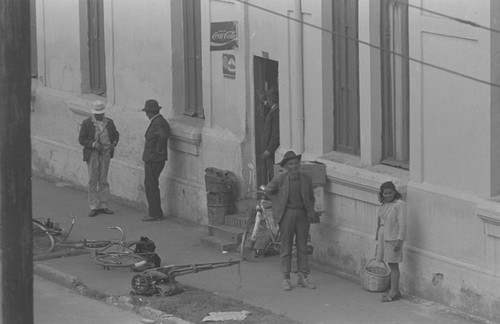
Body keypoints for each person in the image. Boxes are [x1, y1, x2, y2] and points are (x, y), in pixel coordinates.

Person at [264, 151, 316, 291]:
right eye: (291, 164)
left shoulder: (306, 179)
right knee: (286, 246)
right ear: (286, 166)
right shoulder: (280, 178)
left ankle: (303, 276)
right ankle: (286, 278)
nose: (294, 166)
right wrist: (277, 201)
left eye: (296, 163)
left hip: (302, 215)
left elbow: (311, 197)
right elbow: (268, 190)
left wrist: (310, 211)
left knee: (302, 247)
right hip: (287, 214)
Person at [78, 100, 119, 217]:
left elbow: (116, 135)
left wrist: (113, 144)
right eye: (97, 113)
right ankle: (93, 206)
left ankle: (103, 205)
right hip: (93, 154)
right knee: (92, 180)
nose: (99, 115)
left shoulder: (109, 123)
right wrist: (93, 144)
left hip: (105, 153)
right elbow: (82, 140)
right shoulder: (86, 123)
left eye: (101, 113)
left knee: (103, 180)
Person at [375, 181, 407, 302]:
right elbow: (379, 223)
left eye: (390, 192)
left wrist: (399, 240)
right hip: (383, 238)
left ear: (395, 192)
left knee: (394, 265)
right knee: (389, 263)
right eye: (385, 193)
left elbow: (403, 224)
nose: (388, 195)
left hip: (393, 238)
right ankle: (394, 290)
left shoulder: (399, 205)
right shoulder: (383, 205)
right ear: (382, 194)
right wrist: (377, 239)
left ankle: (394, 292)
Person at [140, 99, 171, 222]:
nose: (146, 114)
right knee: (150, 185)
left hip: (154, 159)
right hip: (153, 158)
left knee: (151, 185)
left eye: (147, 112)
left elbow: (162, 137)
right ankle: (155, 212)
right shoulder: (158, 121)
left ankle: (154, 213)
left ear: (150, 112)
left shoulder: (158, 122)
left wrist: (158, 151)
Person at [258, 87, 280, 183]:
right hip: (271, 150)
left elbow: (276, 134)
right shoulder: (274, 108)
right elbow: (268, 104)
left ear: (272, 100)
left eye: (268, 99)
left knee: (272, 173)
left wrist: (269, 150)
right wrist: (264, 100)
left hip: (272, 151)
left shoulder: (275, 113)